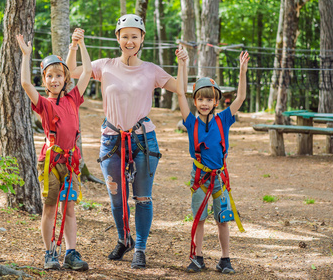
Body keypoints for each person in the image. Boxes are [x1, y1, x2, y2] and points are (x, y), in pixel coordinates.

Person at [66, 14, 182, 269]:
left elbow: (180, 88)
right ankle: (124, 239)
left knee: (142, 197)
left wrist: (186, 68)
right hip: (112, 140)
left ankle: (140, 247)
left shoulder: (151, 70)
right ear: (118, 38)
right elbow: (73, 72)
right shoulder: (104, 65)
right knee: (116, 197)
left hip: (143, 140)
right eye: (125, 36)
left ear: (142, 39)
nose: (130, 41)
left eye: (135, 36)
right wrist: (74, 46)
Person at [16, 28, 91, 271]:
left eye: (59, 76)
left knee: (69, 208)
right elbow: (26, 83)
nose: (55, 80)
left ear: (65, 79)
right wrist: (26, 55)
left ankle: (70, 252)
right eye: (50, 76)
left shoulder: (73, 99)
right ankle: (49, 253)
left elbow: (87, 71)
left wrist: (79, 46)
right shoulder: (44, 104)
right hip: (50, 162)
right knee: (49, 208)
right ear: (45, 79)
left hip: (71, 164)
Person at [176, 47, 249, 274]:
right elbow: (180, 93)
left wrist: (242, 70)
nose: (205, 103)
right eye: (200, 99)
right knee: (199, 218)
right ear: (195, 101)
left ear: (216, 101)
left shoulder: (224, 119)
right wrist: (183, 64)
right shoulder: (190, 121)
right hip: (199, 177)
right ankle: (197, 257)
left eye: (209, 99)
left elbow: (241, 97)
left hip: (219, 178)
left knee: (223, 218)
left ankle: (225, 259)